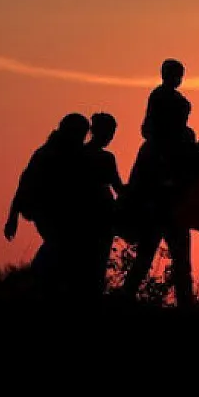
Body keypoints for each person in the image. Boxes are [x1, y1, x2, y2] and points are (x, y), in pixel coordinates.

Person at [118, 59, 197, 306]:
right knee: (147, 256)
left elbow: (192, 170)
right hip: (155, 205)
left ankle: (186, 304)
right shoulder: (152, 147)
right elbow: (141, 181)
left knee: (181, 260)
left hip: (175, 206)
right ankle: (125, 301)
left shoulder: (185, 138)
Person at [4, 113, 91, 299]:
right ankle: (33, 281)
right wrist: (12, 217)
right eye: (79, 133)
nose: (82, 138)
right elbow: (25, 183)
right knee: (59, 245)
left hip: (61, 212)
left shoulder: (73, 153)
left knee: (64, 249)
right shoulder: (47, 154)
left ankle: (44, 285)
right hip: (45, 211)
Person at [77, 112, 124, 298]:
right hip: (94, 213)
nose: (110, 138)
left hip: (98, 213)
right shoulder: (99, 157)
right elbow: (119, 187)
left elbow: (118, 187)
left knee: (91, 262)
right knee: (92, 262)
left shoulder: (81, 154)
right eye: (109, 133)